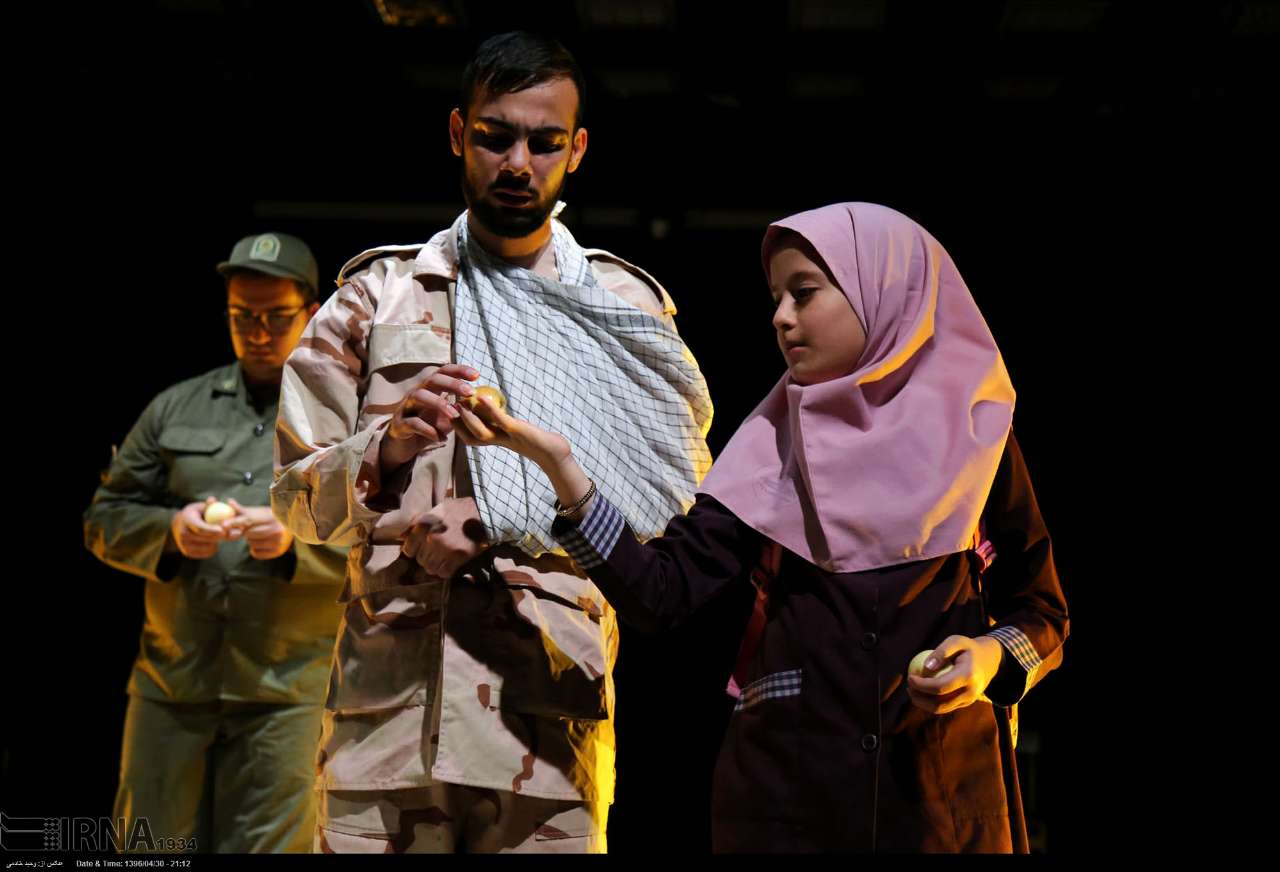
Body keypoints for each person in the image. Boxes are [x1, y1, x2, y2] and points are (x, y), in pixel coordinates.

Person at [453, 201, 1070, 853]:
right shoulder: (772, 444)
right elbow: (660, 593)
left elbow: (1044, 613)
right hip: (791, 803)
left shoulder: (977, 436)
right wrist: (561, 467)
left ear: (885, 293)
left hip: (940, 804)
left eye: (804, 293)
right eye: (777, 299)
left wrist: (989, 657)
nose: (780, 317)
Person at [269, 31, 712, 854]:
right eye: (495, 136)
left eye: (544, 143)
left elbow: (668, 510)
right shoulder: (375, 296)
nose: (518, 163)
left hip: (544, 723)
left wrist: (503, 518)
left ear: (577, 150)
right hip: (385, 725)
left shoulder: (621, 307)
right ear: (456, 133)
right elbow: (294, 502)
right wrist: (386, 447)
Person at [84, 232, 347, 852]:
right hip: (173, 684)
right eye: (242, 316)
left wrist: (295, 545)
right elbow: (104, 519)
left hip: (288, 690)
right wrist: (169, 532)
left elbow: (381, 542)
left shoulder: (342, 419)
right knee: (147, 850)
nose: (257, 332)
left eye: (275, 316)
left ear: (310, 313)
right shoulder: (175, 409)